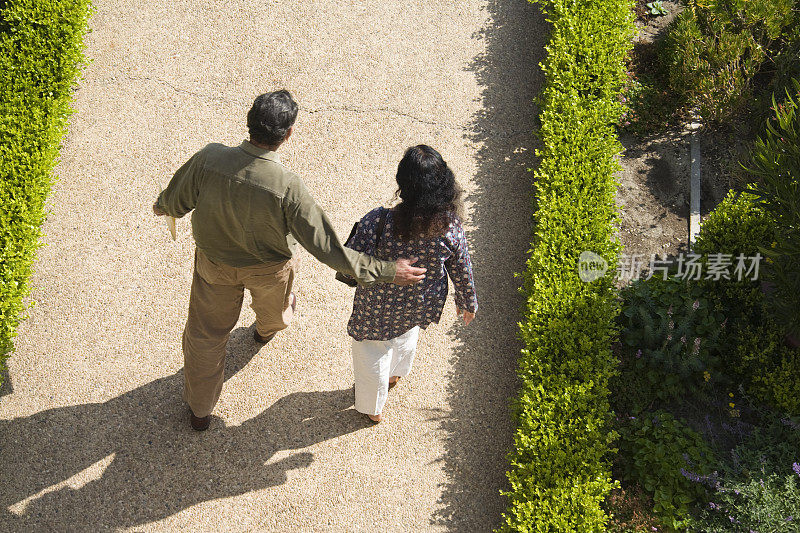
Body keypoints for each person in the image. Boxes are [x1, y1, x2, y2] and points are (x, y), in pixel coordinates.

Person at [153, 90, 427, 431]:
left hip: (214, 267)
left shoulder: (209, 158)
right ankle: (266, 331)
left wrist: (163, 205)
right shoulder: (289, 186)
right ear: (288, 135)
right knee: (276, 311)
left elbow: (174, 201)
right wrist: (387, 270)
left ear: (249, 122)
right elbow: (328, 248)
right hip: (270, 271)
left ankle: (199, 411)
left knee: (206, 337)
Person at [345, 145, 478, 422]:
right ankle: (395, 374)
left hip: (376, 306)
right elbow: (461, 266)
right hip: (419, 302)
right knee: (406, 335)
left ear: (402, 183)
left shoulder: (378, 222)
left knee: (371, 352)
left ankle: (373, 407)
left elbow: (349, 261)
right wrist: (467, 302)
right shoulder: (450, 227)